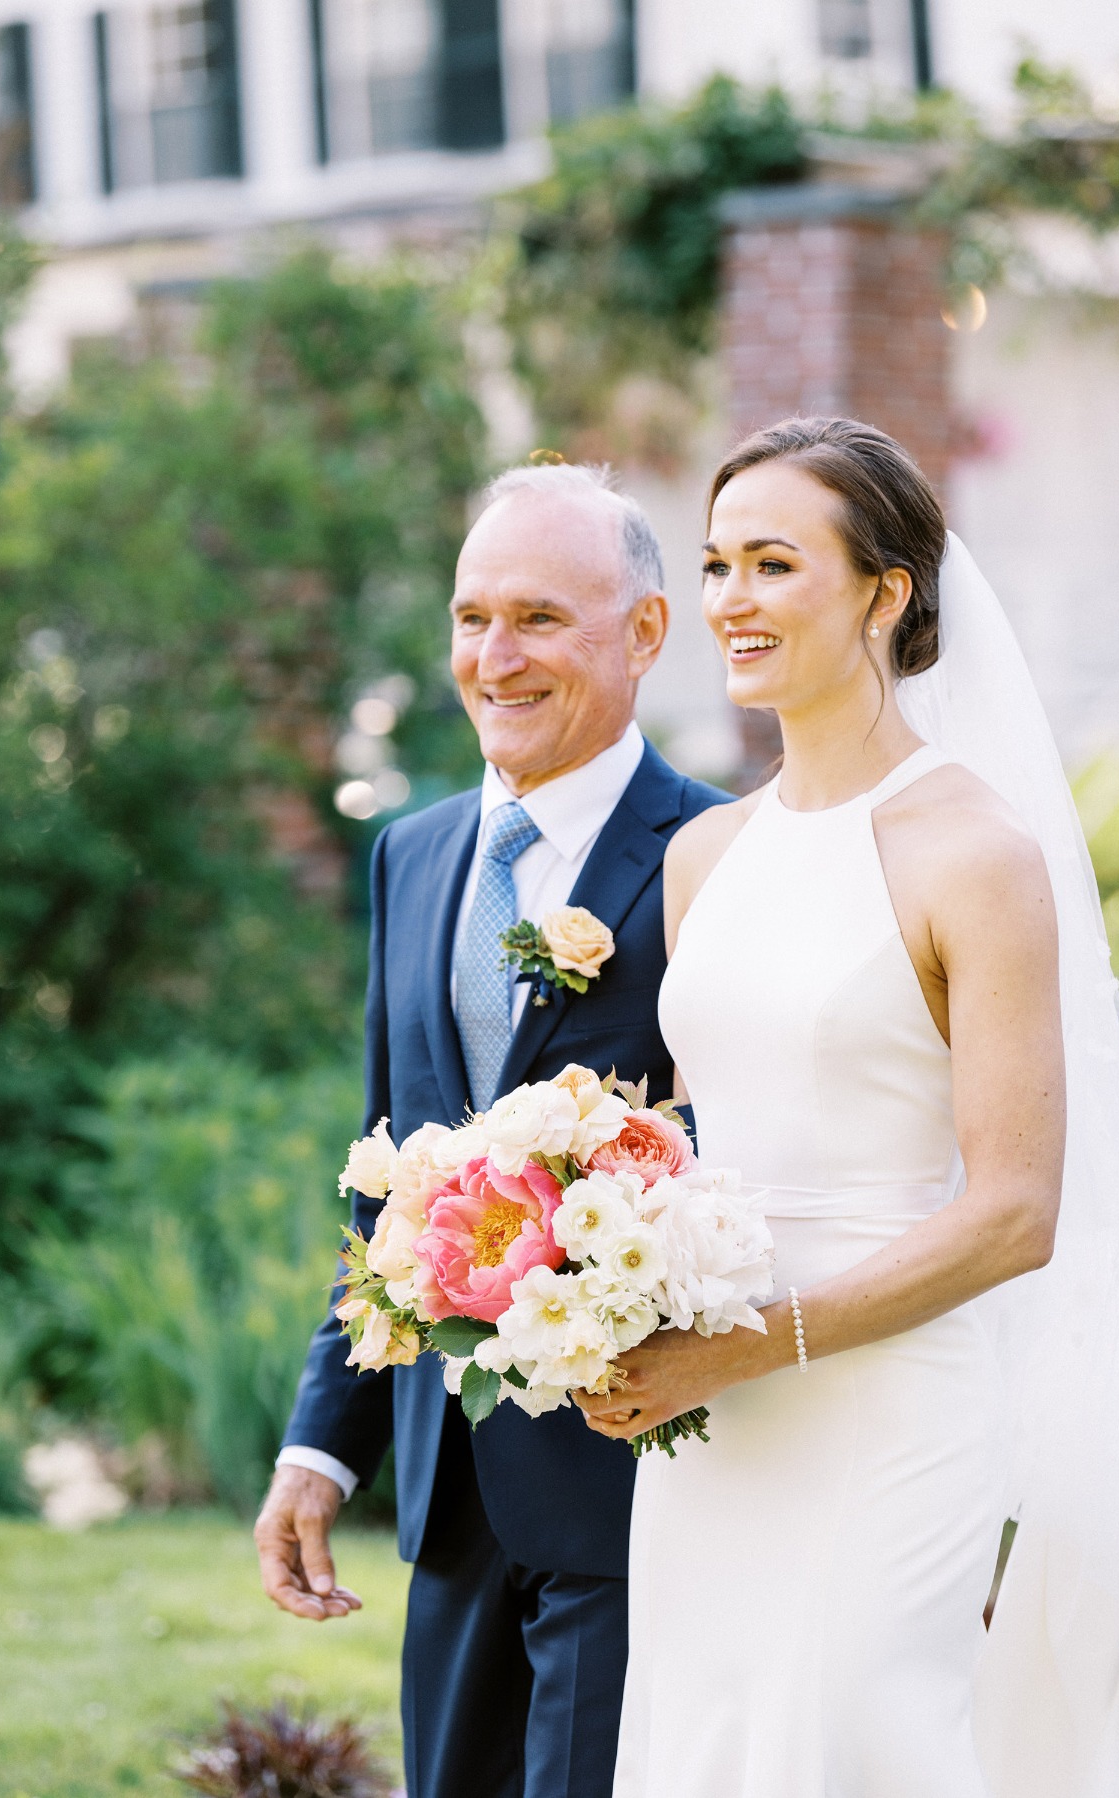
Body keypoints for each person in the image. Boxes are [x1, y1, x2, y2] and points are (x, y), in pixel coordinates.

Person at [579, 416, 1119, 1796]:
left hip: (890, 1409)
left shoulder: (972, 851)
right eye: (719, 563)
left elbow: (1014, 1211)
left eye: (775, 564)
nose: (731, 601)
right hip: (707, 1419)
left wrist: (759, 1343)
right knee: (707, 1746)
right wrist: (577, 1260)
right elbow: (693, 1143)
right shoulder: (704, 856)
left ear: (885, 589)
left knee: (855, 1739)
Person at [254, 462, 730, 1798]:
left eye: (537, 617)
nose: (492, 656)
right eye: (471, 617)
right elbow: (389, 1173)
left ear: (643, 633)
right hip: (450, 1494)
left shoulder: (717, 853)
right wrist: (323, 1439)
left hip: (639, 1487)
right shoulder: (411, 854)